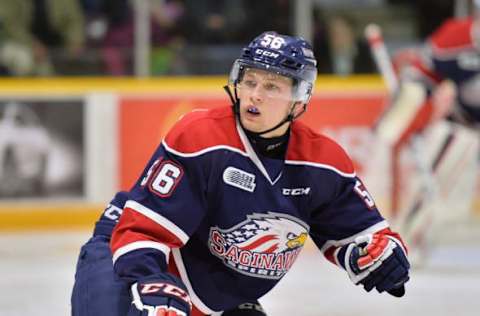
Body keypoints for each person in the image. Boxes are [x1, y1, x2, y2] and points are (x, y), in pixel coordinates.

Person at [71, 31, 410, 316]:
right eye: (250, 81)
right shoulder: (201, 138)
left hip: (210, 287)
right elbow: (142, 232)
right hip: (125, 255)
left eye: (272, 86)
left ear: (299, 99)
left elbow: (366, 237)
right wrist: (150, 282)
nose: (255, 95)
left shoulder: (323, 163)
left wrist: (381, 257)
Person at [374, 6, 480, 257]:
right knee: (439, 170)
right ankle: (407, 240)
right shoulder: (456, 37)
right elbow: (422, 76)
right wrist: (405, 102)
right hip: (464, 125)